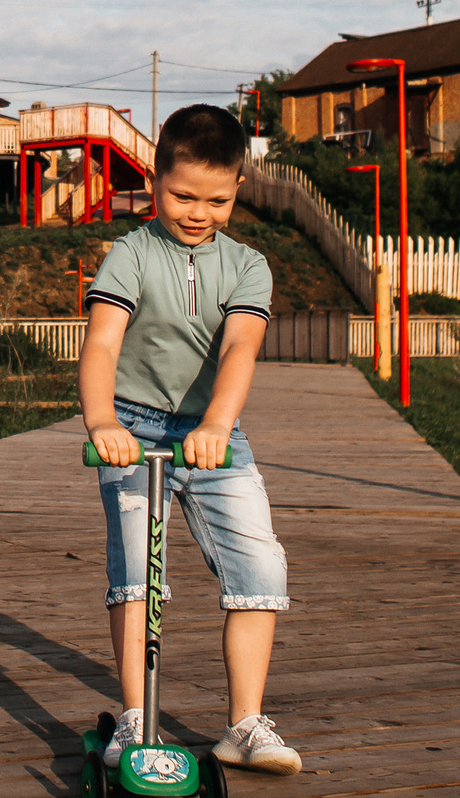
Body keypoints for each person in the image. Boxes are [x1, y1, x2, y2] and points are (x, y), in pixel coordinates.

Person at [80, 103, 300, 776]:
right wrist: (101, 424)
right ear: (155, 181)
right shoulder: (132, 253)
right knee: (138, 575)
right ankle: (136, 718)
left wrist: (215, 425)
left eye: (216, 197)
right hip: (134, 428)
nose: (198, 211)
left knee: (259, 566)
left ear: (238, 186)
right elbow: (102, 342)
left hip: (213, 434)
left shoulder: (248, 266)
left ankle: (244, 723)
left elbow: (239, 347)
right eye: (181, 195)